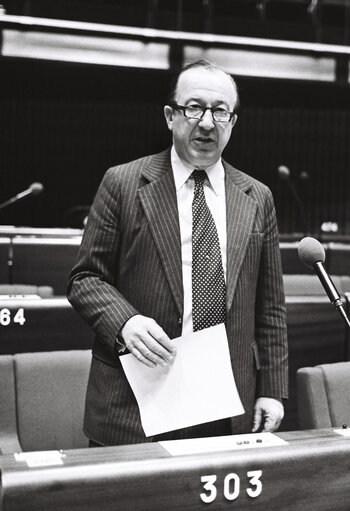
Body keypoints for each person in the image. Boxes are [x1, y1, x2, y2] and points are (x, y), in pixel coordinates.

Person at [67, 59, 288, 447]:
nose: (206, 122)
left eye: (220, 111)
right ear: (171, 116)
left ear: (233, 121)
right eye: (193, 107)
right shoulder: (122, 182)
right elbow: (85, 278)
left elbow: (269, 308)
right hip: (136, 398)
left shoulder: (257, 197)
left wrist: (271, 387)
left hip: (224, 401)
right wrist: (125, 323)